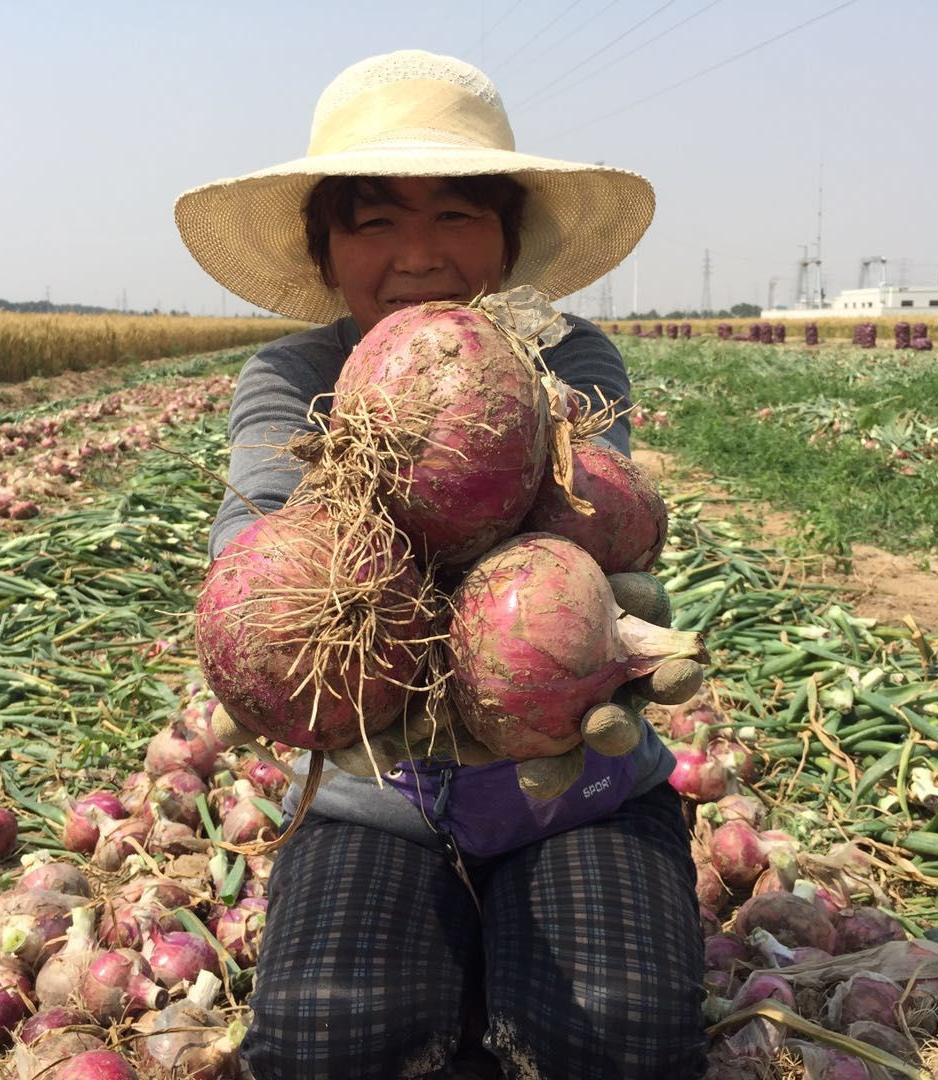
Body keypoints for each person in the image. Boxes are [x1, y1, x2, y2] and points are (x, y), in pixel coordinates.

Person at [174, 49, 707, 1080]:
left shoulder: (572, 360)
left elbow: (585, 529)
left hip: (569, 769)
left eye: (457, 215)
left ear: (506, 242)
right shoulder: (293, 378)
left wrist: (585, 615)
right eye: (375, 221)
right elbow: (255, 547)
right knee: (332, 1039)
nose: (418, 254)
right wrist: (288, 633)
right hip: (379, 780)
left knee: (620, 1034)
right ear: (328, 251)